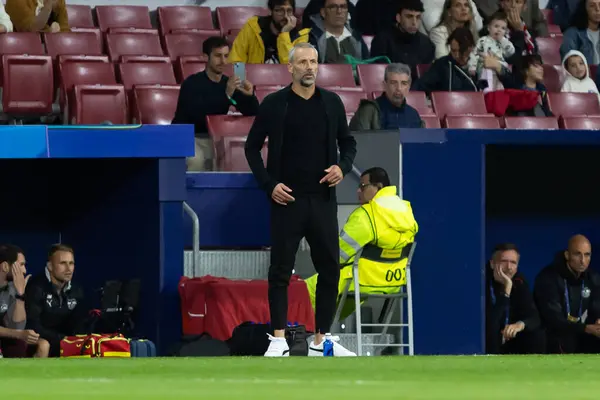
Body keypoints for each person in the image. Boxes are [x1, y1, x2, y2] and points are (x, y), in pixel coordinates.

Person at [244, 42, 357, 357]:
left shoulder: (332, 103)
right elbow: (251, 148)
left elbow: (348, 144)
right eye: (303, 62)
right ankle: (278, 339)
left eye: (314, 61)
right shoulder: (275, 104)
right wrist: (269, 185)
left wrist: (342, 167)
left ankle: (322, 339)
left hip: (322, 199)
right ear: (290, 67)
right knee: (281, 269)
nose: (309, 67)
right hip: (286, 200)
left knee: (330, 268)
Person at [304, 167, 418, 321]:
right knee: (338, 299)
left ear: (378, 187)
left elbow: (336, 255)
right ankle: (324, 331)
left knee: (303, 291)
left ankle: (302, 335)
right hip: (393, 282)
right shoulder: (407, 211)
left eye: (363, 186)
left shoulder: (366, 215)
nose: (358, 191)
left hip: (362, 280)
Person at [172, 36, 259, 172]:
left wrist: (250, 96)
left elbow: (252, 112)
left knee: (239, 157)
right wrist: (227, 95)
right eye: (218, 56)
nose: (223, 61)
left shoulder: (228, 83)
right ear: (205, 57)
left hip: (216, 138)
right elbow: (199, 117)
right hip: (189, 136)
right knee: (196, 160)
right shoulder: (191, 83)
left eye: (226, 56)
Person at [534, 235, 600, 354]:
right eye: (577, 254)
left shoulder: (592, 277)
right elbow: (554, 319)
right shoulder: (548, 278)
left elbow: (597, 305)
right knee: (562, 339)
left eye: (587, 255)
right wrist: (585, 328)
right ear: (567, 255)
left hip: (580, 332)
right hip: (553, 333)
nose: (583, 261)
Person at [25, 244, 87, 358]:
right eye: (63, 263)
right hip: (39, 341)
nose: (69, 269)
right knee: (44, 345)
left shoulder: (77, 290)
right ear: (50, 266)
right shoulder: (36, 287)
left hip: (65, 342)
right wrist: (62, 339)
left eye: (71, 263)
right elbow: (33, 325)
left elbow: (80, 323)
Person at [486, 243, 545, 354]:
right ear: (492, 264)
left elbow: (534, 316)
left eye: (513, 262)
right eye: (504, 261)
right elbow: (492, 322)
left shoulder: (519, 281)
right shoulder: (482, 281)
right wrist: (506, 290)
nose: (509, 267)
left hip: (510, 338)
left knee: (537, 334)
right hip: (490, 341)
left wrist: (520, 325)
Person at [370, 0, 435, 79]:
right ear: (398, 18)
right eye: (409, 16)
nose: (414, 22)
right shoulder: (382, 40)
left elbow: (427, 79)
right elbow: (378, 75)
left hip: (417, 89)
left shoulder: (427, 44)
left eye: (418, 17)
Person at [229, 0, 309, 64]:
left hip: (286, 82)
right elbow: (237, 58)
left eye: (289, 11)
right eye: (280, 11)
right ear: (270, 11)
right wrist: (241, 81)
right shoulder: (253, 27)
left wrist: (284, 34)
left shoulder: (301, 35)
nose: (285, 16)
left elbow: (292, 67)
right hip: (254, 80)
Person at [350, 63, 423, 130]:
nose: (399, 88)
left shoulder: (413, 115)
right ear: (384, 85)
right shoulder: (369, 111)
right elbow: (359, 142)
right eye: (393, 83)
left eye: (404, 83)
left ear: (408, 87)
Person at [0, 245, 39, 357]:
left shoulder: (12, 288)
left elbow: (16, 327)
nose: (24, 271)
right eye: (21, 265)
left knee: (18, 345)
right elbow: (18, 332)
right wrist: (19, 334)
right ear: (5, 266)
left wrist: (20, 295)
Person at [413, 27, 479, 93]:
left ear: (471, 48)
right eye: (453, 50)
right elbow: (420, 86)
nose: (457, 55)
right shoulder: (441, 65)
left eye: (461, 51)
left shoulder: (479, 63)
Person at [467, 11, 515, 92]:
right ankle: (485, 95)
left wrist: (502, 40)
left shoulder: (503, 42)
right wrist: (472, 66)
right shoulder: (483, 40)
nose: (499, 30)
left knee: (499, 90)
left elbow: (511, 52)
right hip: (484, 67)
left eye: (503, 28)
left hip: (498, 71)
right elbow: (475, 53)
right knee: (486, 88)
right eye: (496, 26)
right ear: (489, 28)